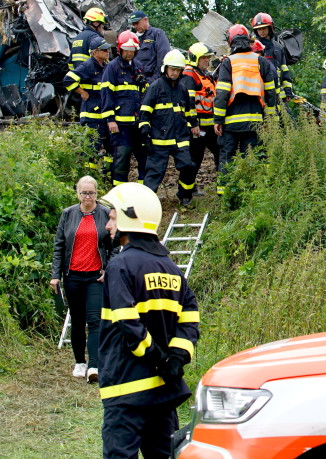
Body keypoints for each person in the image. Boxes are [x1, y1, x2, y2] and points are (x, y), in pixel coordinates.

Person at [98, 183, 199, 459]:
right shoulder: (172, 269)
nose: (108, 225)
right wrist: (175, 360)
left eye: (112, 216)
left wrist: (157, 358)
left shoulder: (120, 265)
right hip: (163, 390)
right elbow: (190, 318)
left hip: (126, 387)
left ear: (129, 218)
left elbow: (127, 321)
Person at [50, 176, 112, 384]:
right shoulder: (68, 214)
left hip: (96, 275)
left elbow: (115, 245)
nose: (88, 197)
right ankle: (80, 362)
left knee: (95, 320)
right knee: (77, 320)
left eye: (91, 193)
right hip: (73, 275)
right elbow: (59, 245)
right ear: (77, 193)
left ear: (97, 193)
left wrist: (108, 269)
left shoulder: (105, 213)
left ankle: (94, 365)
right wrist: (55, 275)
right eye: (84, 193)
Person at [212, 25, 278, 196]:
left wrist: (218, 120)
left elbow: (222, 94)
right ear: (249, 40)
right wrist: (270, 118)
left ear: (231, 41)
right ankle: (252, 195)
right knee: (252, 158)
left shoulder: (228, 63)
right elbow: (271, 93)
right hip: (254, 121)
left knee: (227, 158)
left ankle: (225, 196)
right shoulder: (261, 62)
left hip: (231, 122)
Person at [139, 50, 200, 207]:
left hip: (180, 138)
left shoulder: (182, 89)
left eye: (178, 69)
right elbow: (144, 113)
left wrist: (194, 125)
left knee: (188, 166)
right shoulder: (155, 87)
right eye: (172, 69)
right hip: (160, 139)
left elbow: (189, 110)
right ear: (165, 68)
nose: (175, 72)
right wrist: (145, 134)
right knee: (154, 172)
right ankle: (146, 203)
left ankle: (185, 197)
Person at [101, 31, 147, 186]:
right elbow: (107, 94)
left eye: (132, 50)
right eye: (126, 50)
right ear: (120, 49)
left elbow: (144, 93)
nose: (129, 53)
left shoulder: (138, 67)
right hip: (120, 126)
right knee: (121, 158)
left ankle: (142, 191)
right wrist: (110, 120)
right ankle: (118, 192)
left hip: (138, 124)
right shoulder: (112, 68)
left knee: (143, 158)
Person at [65, 34, 113, 173]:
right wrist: (82, 92)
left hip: (105, 114)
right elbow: (68, 80)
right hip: (92, 115)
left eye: (107, 49)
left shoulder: (106, 66)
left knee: (110, 148)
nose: (107, 52)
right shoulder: (87, 65)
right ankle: (89, 175)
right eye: (104, 50)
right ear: (95, 52)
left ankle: (106, 175)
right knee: (91, 148)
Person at [181, 43, 220, 192]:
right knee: (194, 159)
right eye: (204, 57)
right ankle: (185, 192)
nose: (207, 60)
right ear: (195, 58)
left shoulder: (204, 74)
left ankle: (223, 185)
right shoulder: (190, 74)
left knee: (219, 152)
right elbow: (189, 102)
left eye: (208, 57)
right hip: (198, 127)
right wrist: (193, 124)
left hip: (209, 126)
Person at [251, 12, 295, 104]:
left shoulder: (278, 47)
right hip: (259, 91)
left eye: (264, 28)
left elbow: (284, 69)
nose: (261, 31)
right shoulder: (252, 47)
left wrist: (287, 89)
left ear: (270, 28)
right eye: (258, 29)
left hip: (278, 93)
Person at [129, 10, 172, 84]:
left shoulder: (157, 34)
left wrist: (154, 80)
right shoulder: (133, 38)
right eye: (133, 24)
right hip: (137, 80)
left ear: (145, 20)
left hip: (152, 80)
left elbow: (163, 57)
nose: (135, 26)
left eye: (137, 23)